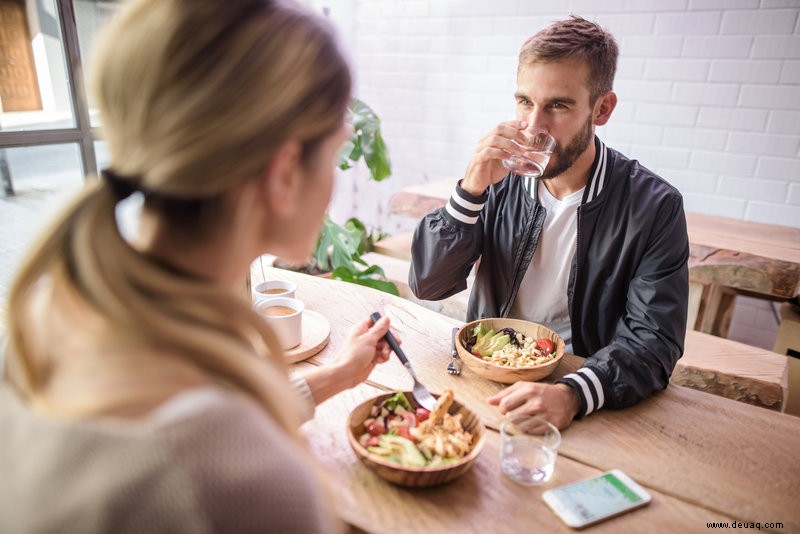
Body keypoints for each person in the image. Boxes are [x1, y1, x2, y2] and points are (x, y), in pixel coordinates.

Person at [0, 1, 394, 532]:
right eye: (332, 155)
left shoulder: (42, 315)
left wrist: (338, 376)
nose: (337, 183)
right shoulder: (242, 479)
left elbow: (209, 420)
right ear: (282, 175)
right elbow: (210, 449)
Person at [409, 16, 689, 432]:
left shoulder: (655, 207)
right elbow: (428, 285)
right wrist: (468, 193)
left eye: (557, 105)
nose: (535, 126)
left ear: (603, 109)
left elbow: (655, 342)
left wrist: (573, 394)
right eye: (525, 102)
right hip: (488, 373)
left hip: (586, 387)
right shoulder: (498, 182)